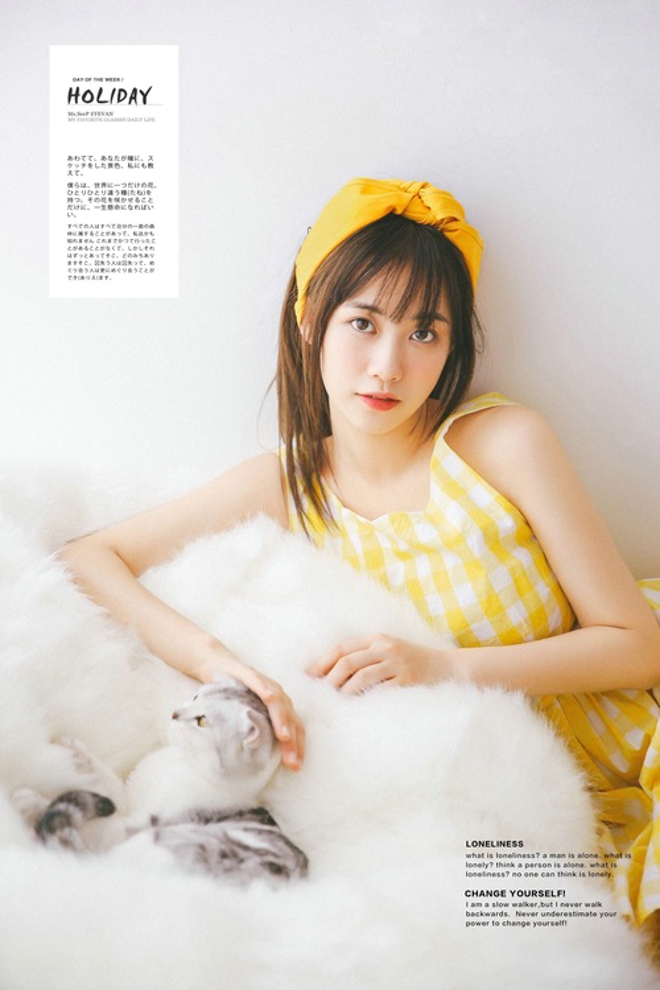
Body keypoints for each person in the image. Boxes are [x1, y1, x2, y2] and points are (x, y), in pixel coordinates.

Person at [60, 177, 660, 928]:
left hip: (634, 741)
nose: (387, 366)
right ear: (311, 319)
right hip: (512, 804)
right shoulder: (290, 486)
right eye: (363, 323)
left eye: (424, 333)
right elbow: (89, 558)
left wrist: (444, 668)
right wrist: (219, 664)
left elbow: (638, 646)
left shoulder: (501, 444)